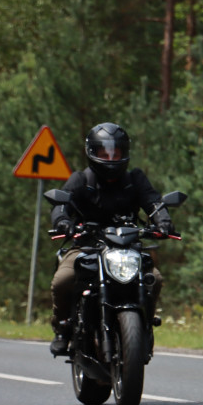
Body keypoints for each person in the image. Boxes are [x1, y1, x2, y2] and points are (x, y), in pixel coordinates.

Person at [48, 122, 175, 355]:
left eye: (115, 152)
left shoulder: (135, 179)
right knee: (63, 280)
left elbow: (154, 202)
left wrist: (163, 221)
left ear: (124, 153)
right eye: (103, 152)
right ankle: (62, 329)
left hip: (127, 247)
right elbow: (61, 204)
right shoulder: (80, 180)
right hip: (87, 246)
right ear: (91, 152)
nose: (109, 157)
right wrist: (63, 222)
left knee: (153, 279)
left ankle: (145, 327)